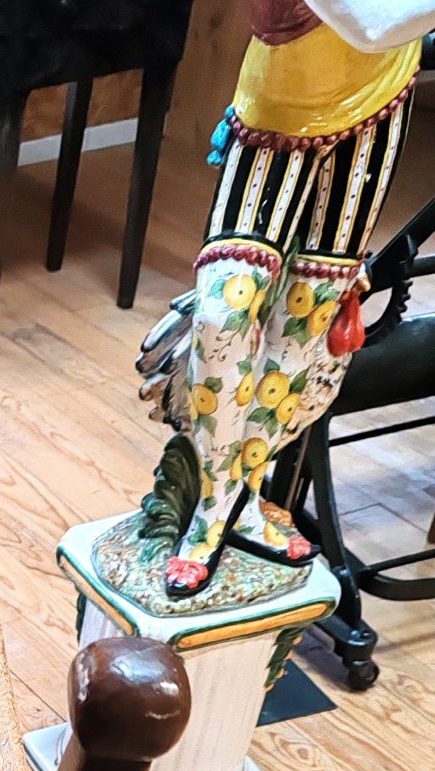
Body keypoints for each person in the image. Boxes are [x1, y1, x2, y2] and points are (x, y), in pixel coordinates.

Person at [153, 0, 433, 596]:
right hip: (276, 112)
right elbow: (370, 24)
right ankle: (215, 502)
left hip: (376, 110)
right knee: (222, 313)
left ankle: (240, 501)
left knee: (308, 320)